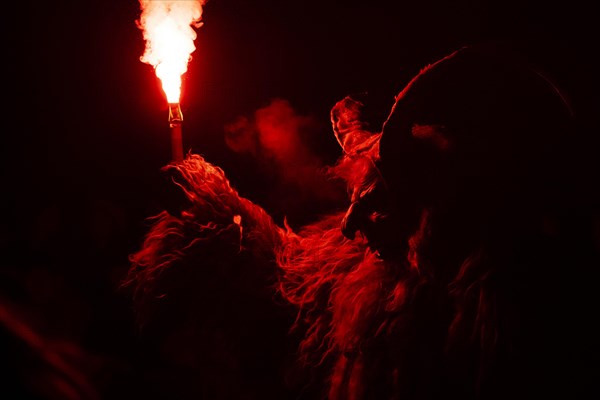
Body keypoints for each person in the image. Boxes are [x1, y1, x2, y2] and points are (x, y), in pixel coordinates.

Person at [124, 43, 599, 399]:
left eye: (380, 198)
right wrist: (222, 218)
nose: (352, 223)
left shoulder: (508, 325)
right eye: (362, 197)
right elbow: (292, 295)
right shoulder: (378, 266)